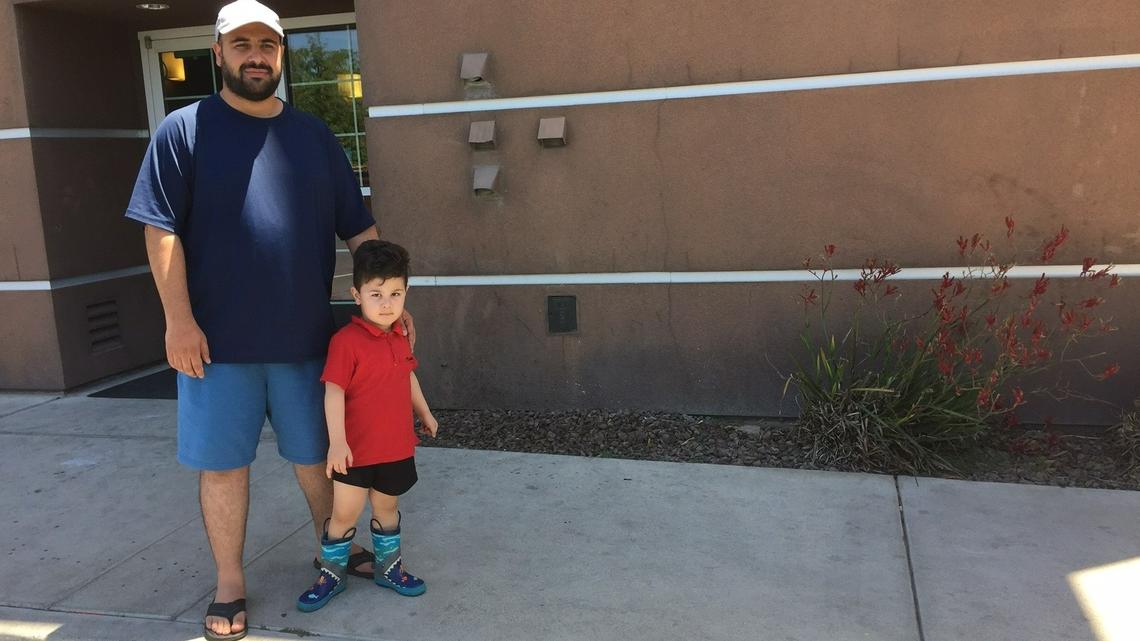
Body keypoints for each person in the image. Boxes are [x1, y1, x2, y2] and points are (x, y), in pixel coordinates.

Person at [123, 2, 408, 639]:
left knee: (319, 460)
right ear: (218, 52)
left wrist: (384, 306)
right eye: (243, 43)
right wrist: (179, 323)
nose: (257, 55)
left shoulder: (312, 136)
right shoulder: (184, 129)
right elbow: (160, 231)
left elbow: (360, 231)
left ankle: (328, 551)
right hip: (214, 347)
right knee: (223, 466)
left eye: (269, 45)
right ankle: (229, 582)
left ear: (281, 55)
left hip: (308, 343)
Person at [297, 240, 439, 612]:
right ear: (356, 294)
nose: (387, 303)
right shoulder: (346, 342)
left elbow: (407, 377)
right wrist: (337, 443)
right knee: (343, 514)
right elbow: (333, 393)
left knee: (387, 509)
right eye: (376, 293)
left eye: (395, 293)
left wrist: (423, 412)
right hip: (355, 451)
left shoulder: (400, 336)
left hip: (395, 446)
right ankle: (331, 574)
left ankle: (389, 569)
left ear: (406, 292)